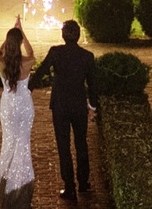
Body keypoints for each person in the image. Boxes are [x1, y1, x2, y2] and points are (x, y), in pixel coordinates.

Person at [41, 17, 98, 199]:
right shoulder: (87, 56)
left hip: (60, 106)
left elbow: (41, 70)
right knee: (81, 143)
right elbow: (93, 84)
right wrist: (93, 106)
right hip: (79, 105)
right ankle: (83, 183)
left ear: (63, 35)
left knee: (63, 146)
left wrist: (25, 87)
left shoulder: (55, 52)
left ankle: (69, 186)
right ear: (79, 35)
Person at [0, 20, 37, 209]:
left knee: (9, 142)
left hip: (8, 106)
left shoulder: (1, 63)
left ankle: (6, 185)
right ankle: (21, 187)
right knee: (23, 143)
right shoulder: (28, 63)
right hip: (24, 105)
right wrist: (22, 33)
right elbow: (32, 54)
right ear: (20, 43)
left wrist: (8, 40)